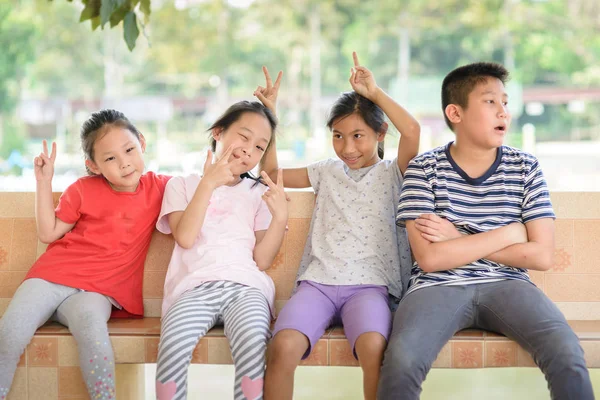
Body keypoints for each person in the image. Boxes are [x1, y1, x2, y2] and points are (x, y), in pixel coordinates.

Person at [377, 62, 594, 400]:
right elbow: (431, 258)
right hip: (435, 287)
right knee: (402, 361)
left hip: (509, 284)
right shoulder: (423, 169)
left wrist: (459, 238)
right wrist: (509, 233)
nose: (503, 112)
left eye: (505, 103)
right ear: (455, 112)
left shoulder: (526, 167)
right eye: (490, 101)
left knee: (567, 352)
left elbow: (542, 255)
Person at [262, 52, 420, 400]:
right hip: (317, 284)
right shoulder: (325, 171)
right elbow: (270, 176)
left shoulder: (395, 173)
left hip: (370, 288)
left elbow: (412, 129)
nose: (347, 147)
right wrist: (270, 117)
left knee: (374, 349)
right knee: (283, 345)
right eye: (338, 136)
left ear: (380, 134)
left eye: (358, 136)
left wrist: (374, 93)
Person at [0, 109, 171, 399]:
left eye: (129, 150)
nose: (124, 163)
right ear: (93, 166)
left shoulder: (161, 186)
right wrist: (44, 182)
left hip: (98, 292)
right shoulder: (81, 189)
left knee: (92, 330)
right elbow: (49, 233)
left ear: (141, 142)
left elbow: (210, 184)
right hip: (51, 277)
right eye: (110, 158)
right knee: (11, 330)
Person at [154, 73, 288, 400]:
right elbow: (185, 237)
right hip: (194, 289)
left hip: (246, 288)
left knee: (254, 345)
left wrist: (281, 216)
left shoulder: (257, 192)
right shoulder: (182, 185)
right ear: (218, 133)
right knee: (171, 349)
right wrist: (208, 182)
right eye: (244, 137)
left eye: (259, 146)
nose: (250, 150)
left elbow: (262, 259)